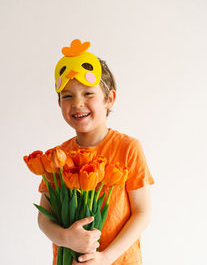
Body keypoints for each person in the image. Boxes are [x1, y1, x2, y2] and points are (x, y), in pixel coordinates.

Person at [38, 39, 154, 265]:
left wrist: (105, 258)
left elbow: (142, 213)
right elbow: (44, 217)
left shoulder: (128, 148)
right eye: (67, 96)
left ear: (109, 99)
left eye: (88, 94)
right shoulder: (57, 157)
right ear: (59, 103)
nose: (77, 103)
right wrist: (66, 238)